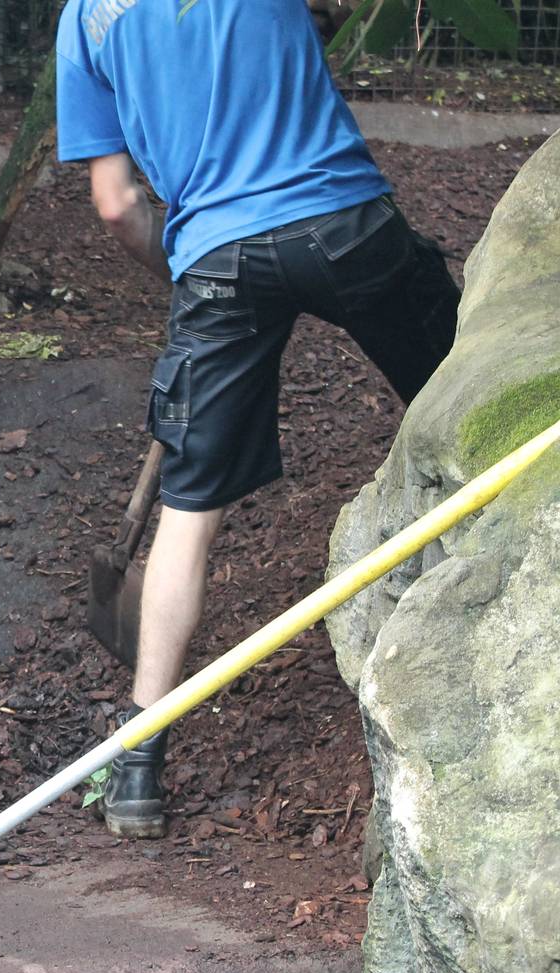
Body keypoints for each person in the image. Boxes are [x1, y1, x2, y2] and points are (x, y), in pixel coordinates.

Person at [54, 0, 462, 837]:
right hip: (344, 222)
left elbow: (115, 202)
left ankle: (137, 770)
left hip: (217, 259)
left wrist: (188, 274)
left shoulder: (80, 20)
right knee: (464, 391)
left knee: (188, 516)